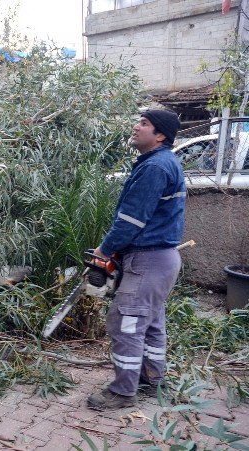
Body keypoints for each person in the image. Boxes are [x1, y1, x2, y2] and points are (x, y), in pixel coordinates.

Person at [87, 109, 186, 411]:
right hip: (159, 259)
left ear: (160, 135)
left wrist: (103, 252)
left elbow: (131, 220)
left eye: (144, 124)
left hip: (148, 260)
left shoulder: (155, 167)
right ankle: (151, 379)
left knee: (126, 322)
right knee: (151, 322)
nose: (136, 126)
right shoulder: (161, 163)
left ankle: (123, 391)